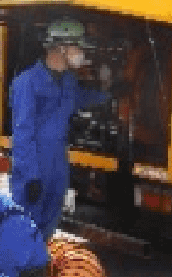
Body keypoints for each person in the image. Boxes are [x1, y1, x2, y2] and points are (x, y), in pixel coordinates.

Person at [9, 18, 110, 240]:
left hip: (57, 165)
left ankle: (38, 270)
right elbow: (23, 135)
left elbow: (80, 98)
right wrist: (30, 176)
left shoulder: (68, 81)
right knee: (26, 228)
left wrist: (109, 93)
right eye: (77, 47)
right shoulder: (27, 83)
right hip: (35, 165)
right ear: (61, 48)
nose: (81, 52)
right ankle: (22, 272)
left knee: (48, 226)